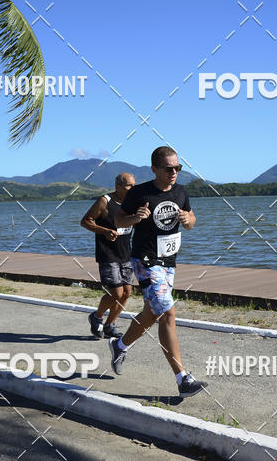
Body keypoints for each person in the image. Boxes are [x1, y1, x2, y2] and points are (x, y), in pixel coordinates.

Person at [109, 146, 208, 397]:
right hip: (145, 260)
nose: (174, 172)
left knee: (153, 312)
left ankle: (120, 345)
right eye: (168, 168)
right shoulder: (141, 193)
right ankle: (182, 379)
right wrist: (136, 218)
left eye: (178, 167)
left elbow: (192, 219)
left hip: (168, 261)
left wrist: (188, 221)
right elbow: (119, 220)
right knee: (167, 312)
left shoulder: (181, 191)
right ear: (155, 169)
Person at [80, 172, 135, 339]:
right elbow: (86, 221)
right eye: (128, 186)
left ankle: (110, 325)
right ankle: (96, 317)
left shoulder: (131, 203)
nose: (132, 189)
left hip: (126, 253)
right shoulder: (105, 201)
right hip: (108, 253)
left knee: (127, 293)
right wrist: (104, 231)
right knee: (116, 293)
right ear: (118, 186)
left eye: (134, 185)